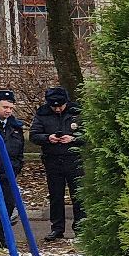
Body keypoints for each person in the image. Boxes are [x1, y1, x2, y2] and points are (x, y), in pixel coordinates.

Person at [31, 87, 83, 240]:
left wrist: (73, 139)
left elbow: (88, 134)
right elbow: (34, 135)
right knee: (56, 195)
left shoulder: (76, 112)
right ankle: (57, 228)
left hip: (74, 159)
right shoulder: (43, 114)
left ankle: (80, 227)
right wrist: (48, 138)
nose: (58, 109)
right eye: (54, 107)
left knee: (78, 194)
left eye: (61, 106)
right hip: (52, 159)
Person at [0, 89, 26, 183]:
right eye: (5, 107)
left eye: (11, 108)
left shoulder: (16, 126)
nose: (8, 111)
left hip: (10, 173)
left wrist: (16, 167)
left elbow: (20, 152)